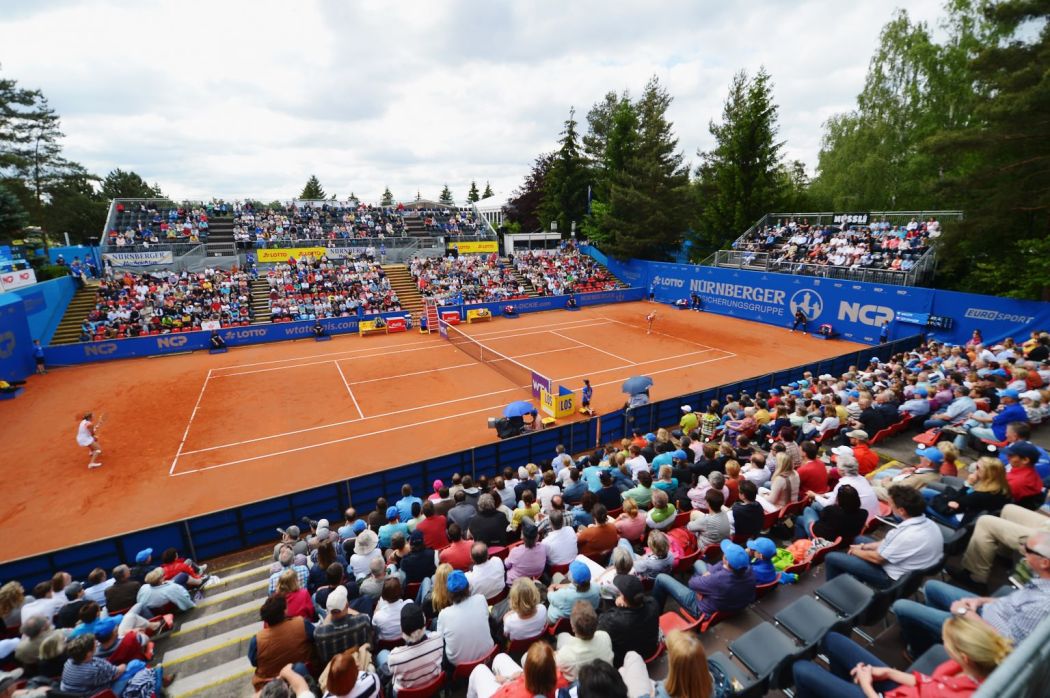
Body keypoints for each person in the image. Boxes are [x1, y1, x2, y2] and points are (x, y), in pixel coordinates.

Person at [893, 529, 1050, 659]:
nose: (1022, 551)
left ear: (1045, 562)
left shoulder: (1042, 605)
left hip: (981, 633)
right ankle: (941, 639)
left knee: (901, 606)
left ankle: (918, 651)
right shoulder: (1041, 577)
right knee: (931, 587)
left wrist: (965, 613)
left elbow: (1006, 644)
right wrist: (981, 601)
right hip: (984, 612)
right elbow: (1012, 602)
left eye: (1028, 550)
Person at [792, 615, 1011, 698]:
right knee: (833, 640)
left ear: (965, 657)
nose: (945, 646)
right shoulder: (973, 668)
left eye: (948, 643)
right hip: (906, 690)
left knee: (801, 668)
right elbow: (929, 684)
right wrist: (888, 672)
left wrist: (868, 686)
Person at [824, 485, 943, 589]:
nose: (890, 506)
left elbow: (878, 559)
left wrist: (855, 551)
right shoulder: (929, 523)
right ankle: (855, 576)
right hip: (909, 566)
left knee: (831, 557)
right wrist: (863, 546)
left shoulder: (907, 535)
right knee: (859, 539)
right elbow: (889, 541)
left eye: (891, 504)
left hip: (891, 578)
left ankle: (836, 590)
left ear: (901, 511)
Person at [651, 540, 756, 622]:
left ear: (726, 560)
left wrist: (705, 580)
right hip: (725, 601)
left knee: (661, 578)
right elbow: (716, 572)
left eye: (725, 553)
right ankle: (704, 586)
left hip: (702, 609)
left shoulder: (719, 579)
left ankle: (655, 613)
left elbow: (692, 583)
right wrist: (710, 575)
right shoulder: (749, 571)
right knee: (698, 563)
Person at [248, 596, 316, 691]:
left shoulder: (257, 640)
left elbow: (254, 662)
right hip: (305, 677)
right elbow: (315, 638)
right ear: (284, 612)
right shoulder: (301, 623)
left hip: (271, 687)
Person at [379, 602, 444, 696]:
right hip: (432, 690)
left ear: (402, 629)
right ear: (424, 623)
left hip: (404, 694)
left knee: (382, 654)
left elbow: (388, 673)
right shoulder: (438, 639)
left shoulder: (395, 656)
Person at [927, 457, 1011, 528]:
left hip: (964, 520)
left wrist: (968, 483)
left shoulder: (980, 494)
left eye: (978, 468)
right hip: (973, 512)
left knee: (924, 503)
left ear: (987, 474)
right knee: (929, 493)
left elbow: (957, 500)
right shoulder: (1002, 487)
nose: (975, 469)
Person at [467, 639, 567, 698]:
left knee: (479, 670)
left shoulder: (516, 693)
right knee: (500, 657)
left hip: (505, 692)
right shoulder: (563, 679)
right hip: (519, 683)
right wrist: (509, 678)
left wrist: (504, 685)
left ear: (527, 669)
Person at [597, 574, 661, 666]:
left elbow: (600, 624)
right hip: (650, 651)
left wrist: (617, 607)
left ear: (623, 598)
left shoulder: (613, 620)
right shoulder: (653, 604)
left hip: (626, 661)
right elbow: (645, 600)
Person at [436, 570, 495, 666]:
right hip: (487, 656)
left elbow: (439, 641)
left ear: (449, 593)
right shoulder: (480, 599)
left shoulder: (443, 615)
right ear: (468, 587)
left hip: (461, 666)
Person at [554, 601, 614, 682]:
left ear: (573, 628)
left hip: (580, 686)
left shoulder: (566, 654)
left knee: (562, 636)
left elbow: (554, 663)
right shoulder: (605, 636)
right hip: (607, 679)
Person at [315, 585, 373, 668]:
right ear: (347, 605)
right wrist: (345, 609)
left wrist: (331, 612)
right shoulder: (363, 621)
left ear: (328, 611)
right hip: (358, 664)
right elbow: (365, 617)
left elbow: (323, 659)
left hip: (336, 670)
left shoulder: (319, 634)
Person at [798, 484, 868, 543]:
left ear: (840, 500)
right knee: (802, 517)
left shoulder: (831, 510)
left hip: (823, 538)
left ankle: (799, 543)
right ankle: (802, 543)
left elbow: (822, 519)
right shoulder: (864, 513)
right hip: (844, 541)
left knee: (806, 511)